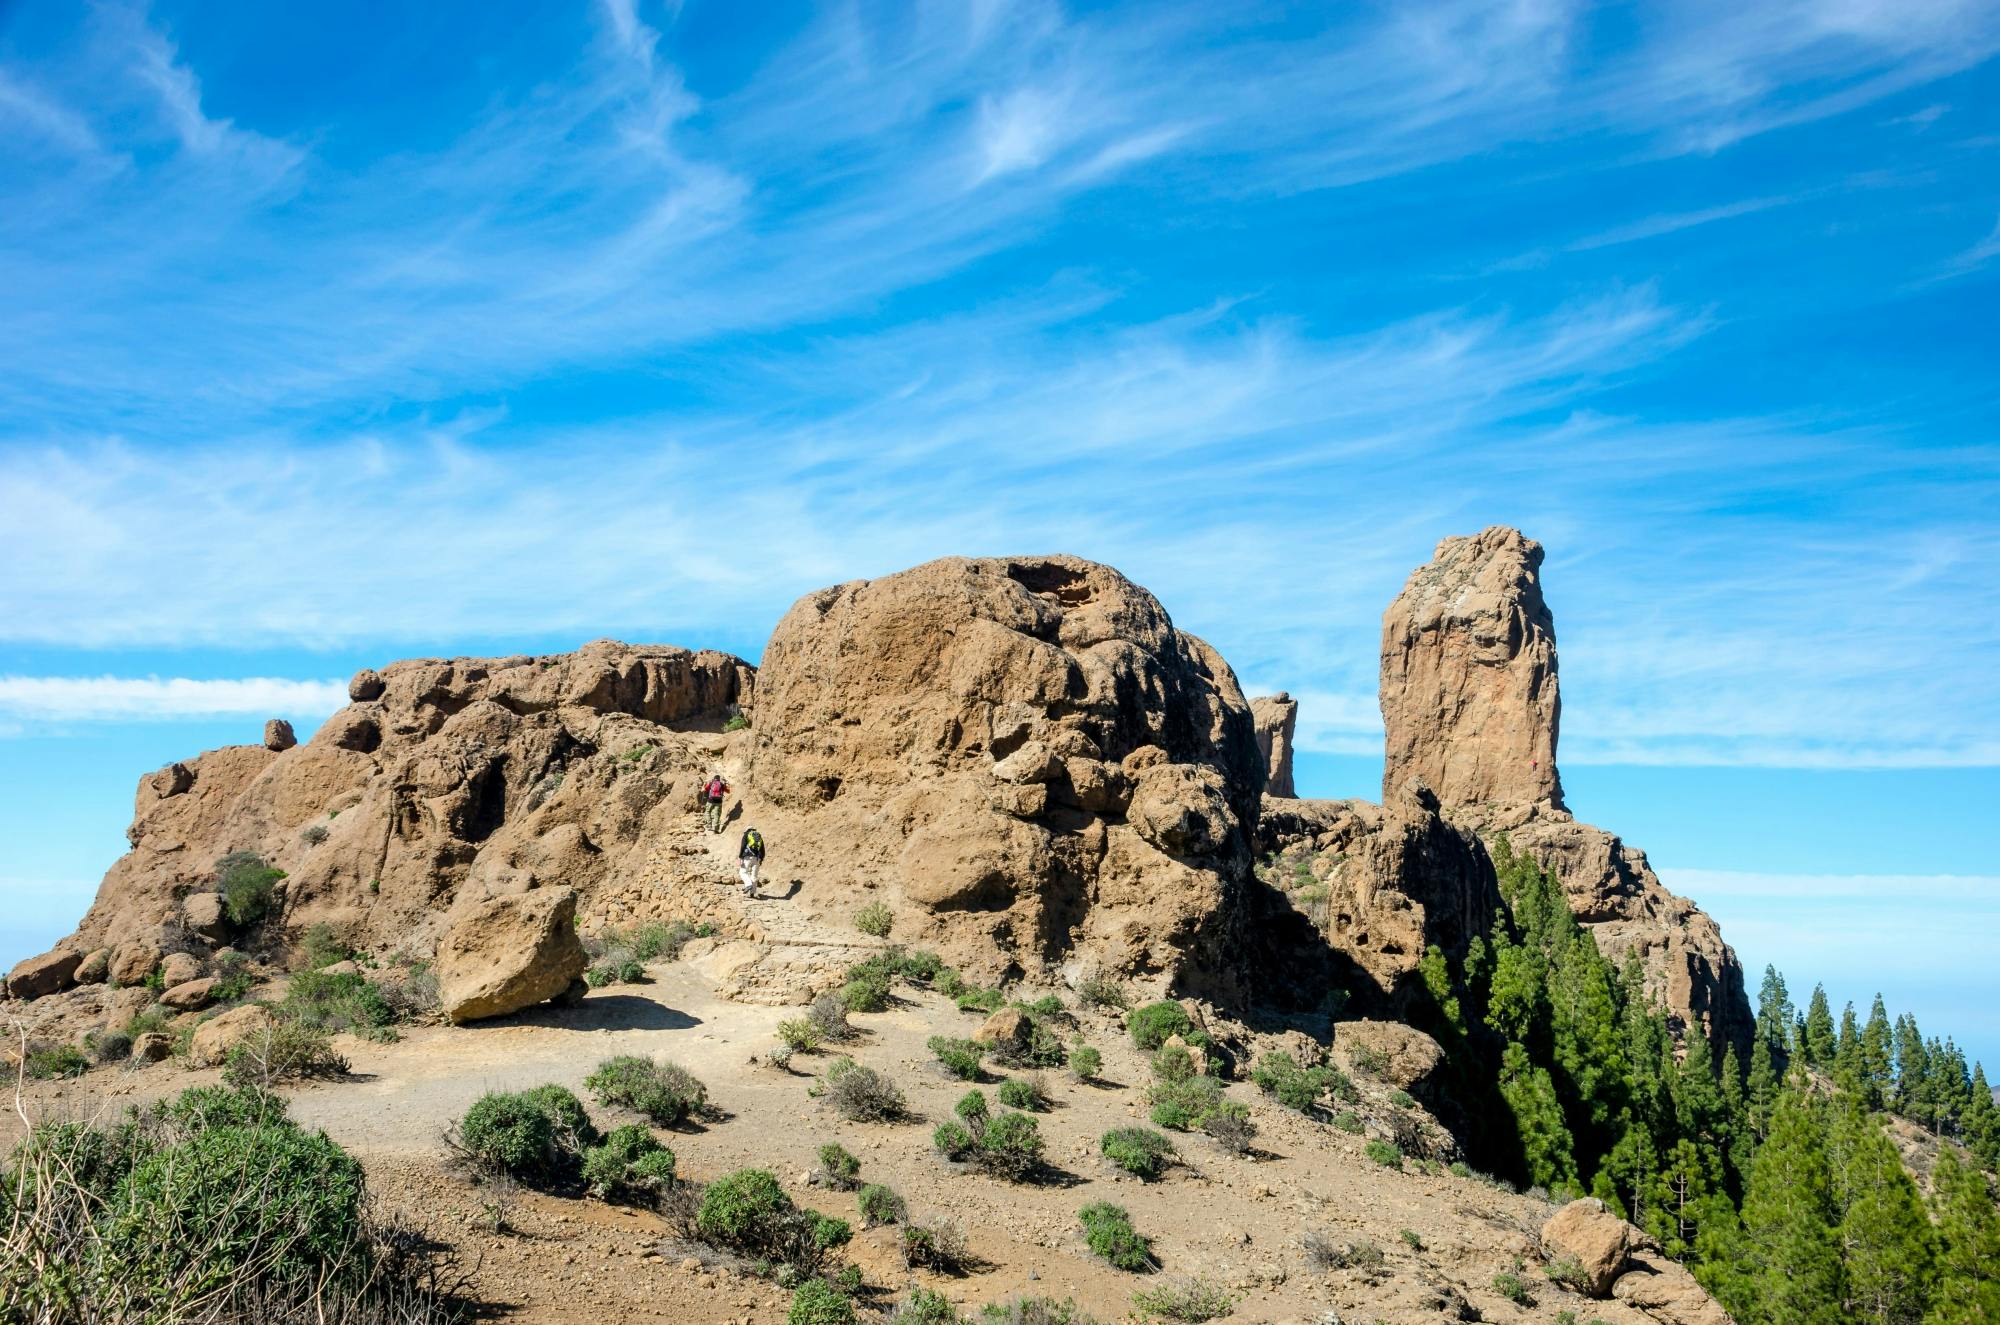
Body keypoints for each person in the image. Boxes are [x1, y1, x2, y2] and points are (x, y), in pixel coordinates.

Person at [737, 826, 766, 898]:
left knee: (743, 872)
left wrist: (740, 856)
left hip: (748, 857)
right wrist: (761, 859)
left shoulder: (746, 835)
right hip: (757, 858)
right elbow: (762, 849)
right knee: (754, 875)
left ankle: (748, 884)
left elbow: (743, 846)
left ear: (747, 830)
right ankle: (752, 893)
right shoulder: (759, 836)